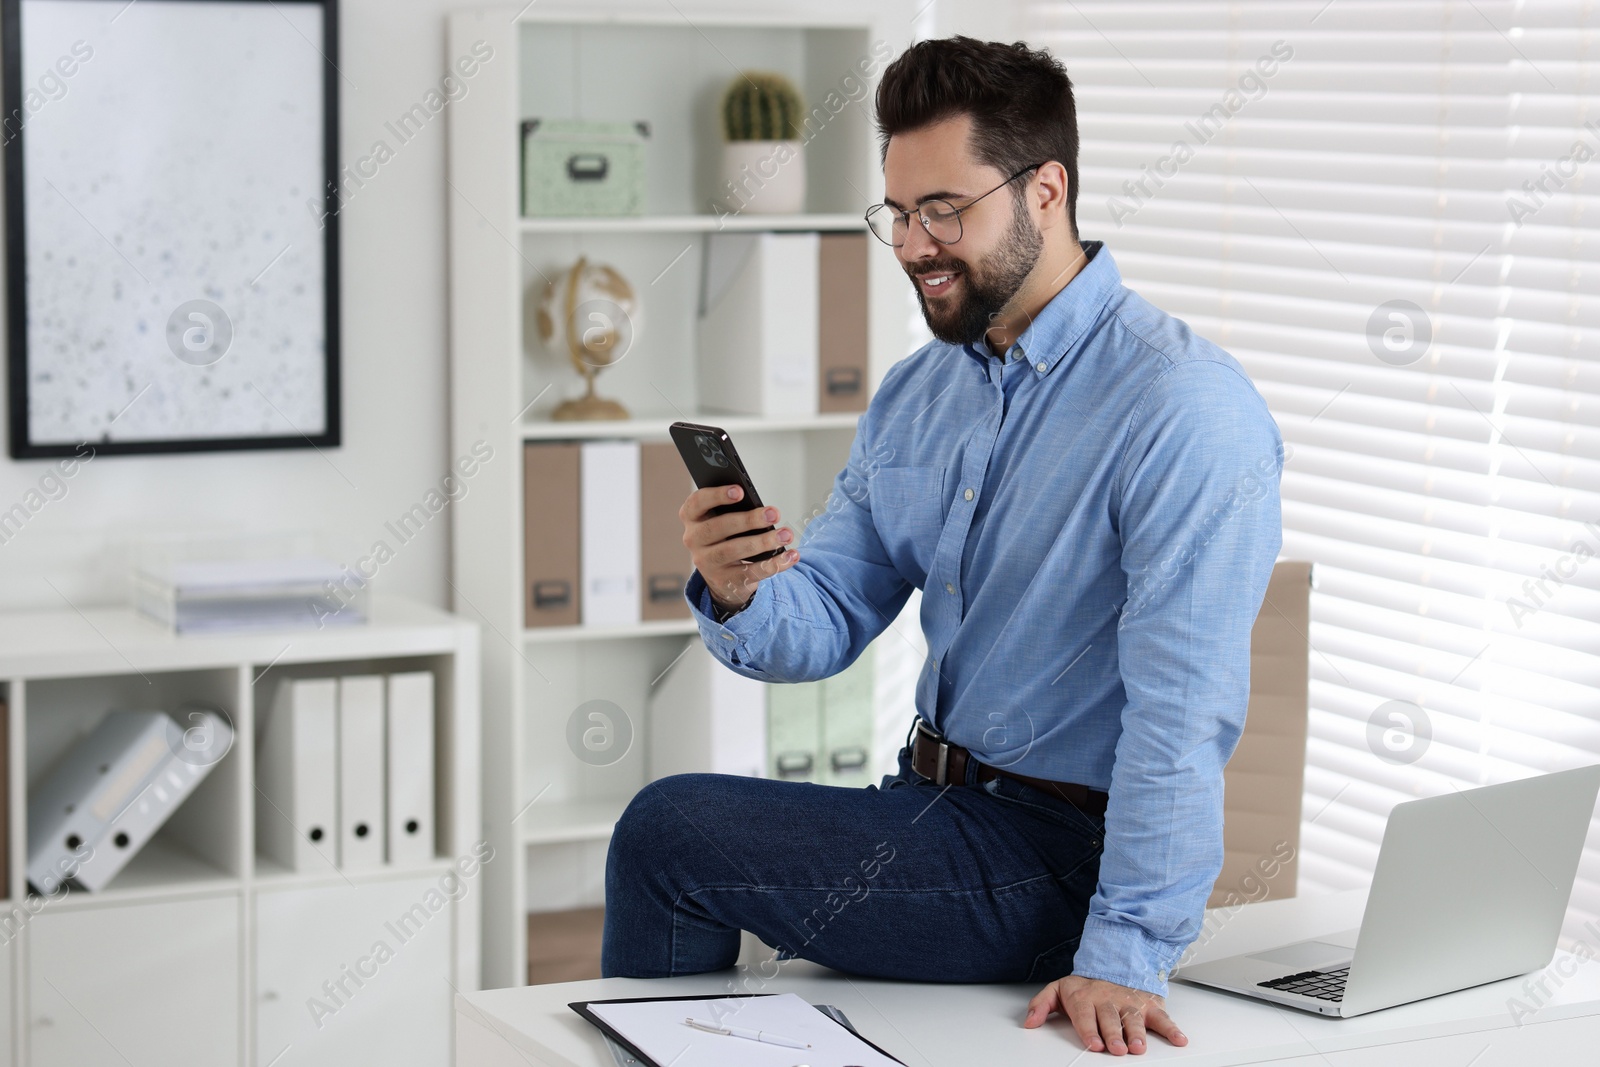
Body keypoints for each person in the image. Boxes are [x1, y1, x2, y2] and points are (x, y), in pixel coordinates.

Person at [602, 35, 1283, 1057]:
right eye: (899, 213)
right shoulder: (922, 392)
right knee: (682, 839)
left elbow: (1181, 713)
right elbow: (823, 619)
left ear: (1045, 190)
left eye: (945, 210)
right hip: (930, 809)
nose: (915, 244)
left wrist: (1125, 952)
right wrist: (740, 587)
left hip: (1058, 860)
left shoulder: (1183, 409)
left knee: (668, 832)